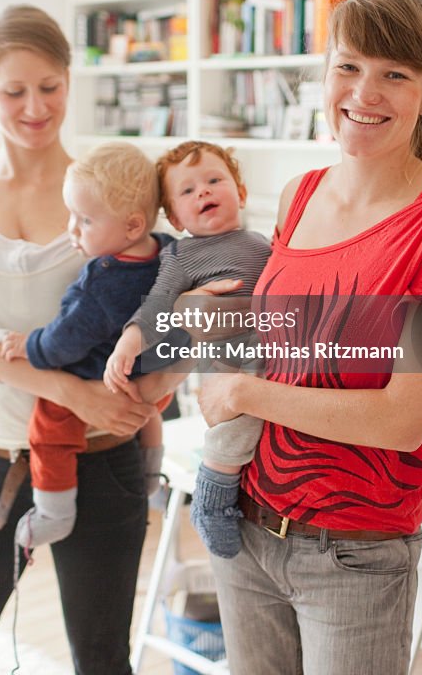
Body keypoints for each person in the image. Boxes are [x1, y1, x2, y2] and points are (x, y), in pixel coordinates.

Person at [194, 0, 422, 675]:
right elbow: (282, 346)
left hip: (355, 554)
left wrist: (243, 396)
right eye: (347, 66)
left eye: (393, 74)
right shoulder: (299, 193)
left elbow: (403, 421)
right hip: (246, 528)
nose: (363, 92)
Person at [0, 5, 158, 675]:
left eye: (49, 86)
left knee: (103, 661)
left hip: (104, 461)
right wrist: (69, 391)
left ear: (69, 80)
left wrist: (160, 380)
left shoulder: (109, 193)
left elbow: (165, 299)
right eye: (13, 91)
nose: (34, 107)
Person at [0, 142, 172, 550]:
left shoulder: (100, 282)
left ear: (132, 226)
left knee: (48, 429)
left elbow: (64, 342)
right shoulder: (169, 251)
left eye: (84, 220)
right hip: (149, 384)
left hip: (103, 381)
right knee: (148, 412)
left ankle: (54, 513)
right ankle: (151, 473)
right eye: (71, 216)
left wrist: (31, 345)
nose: (71, 230)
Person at [104, 140, 271, 558]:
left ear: (241, 193)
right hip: (231, 367)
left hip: (277, 357)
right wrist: (128, 342)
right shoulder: (182, 256)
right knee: (237, 430)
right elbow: (157, 305)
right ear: (175, 217)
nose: (204, 192)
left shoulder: (263, 242)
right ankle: (212, 499)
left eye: (215, 180)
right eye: (188, 190)